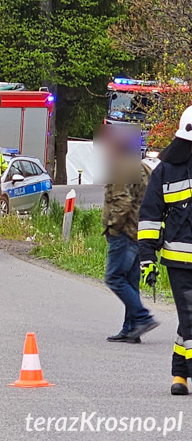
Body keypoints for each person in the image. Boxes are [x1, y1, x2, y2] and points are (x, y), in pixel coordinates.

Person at [139, 107, 192, 394]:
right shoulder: (166, 170)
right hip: (180, 261)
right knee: (191, 317)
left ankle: (179, 375)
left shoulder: (164, 168)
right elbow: (150, 215)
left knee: (188, 319)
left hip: (175, 261)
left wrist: (147, 257)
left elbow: (149, 215)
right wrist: (147, 258)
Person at [102, 131, 154, 343]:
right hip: (139, 232)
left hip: (125, 232)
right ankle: (131, 328)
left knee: (114, 277)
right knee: (131, 282)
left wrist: (112, 227)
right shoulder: (143, 168)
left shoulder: (122, 168)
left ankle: (142, 317)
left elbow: (122, 202)